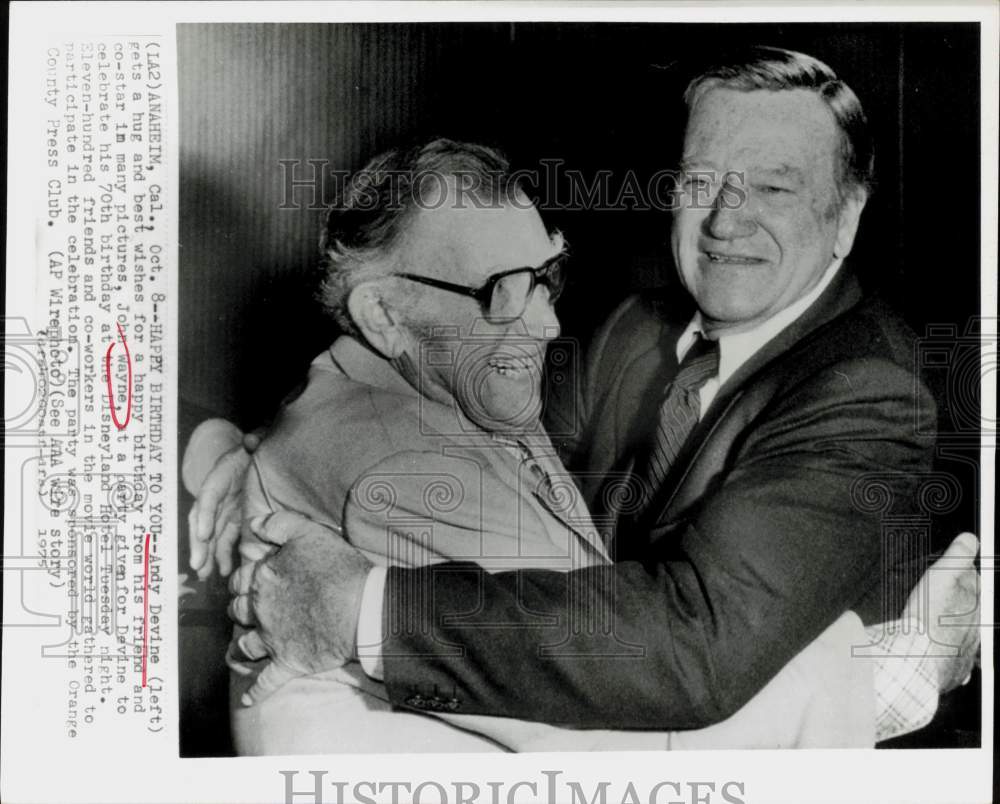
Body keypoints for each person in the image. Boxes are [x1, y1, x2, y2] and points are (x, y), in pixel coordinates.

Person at [193, 48, 980, 742]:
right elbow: (462, 431)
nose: (724, 223)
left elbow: (689, 653)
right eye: (702, 180)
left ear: (847, 217)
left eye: (773, 186)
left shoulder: (870, 390)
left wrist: (361, 608)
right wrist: (249, 457)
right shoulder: (639, 327)